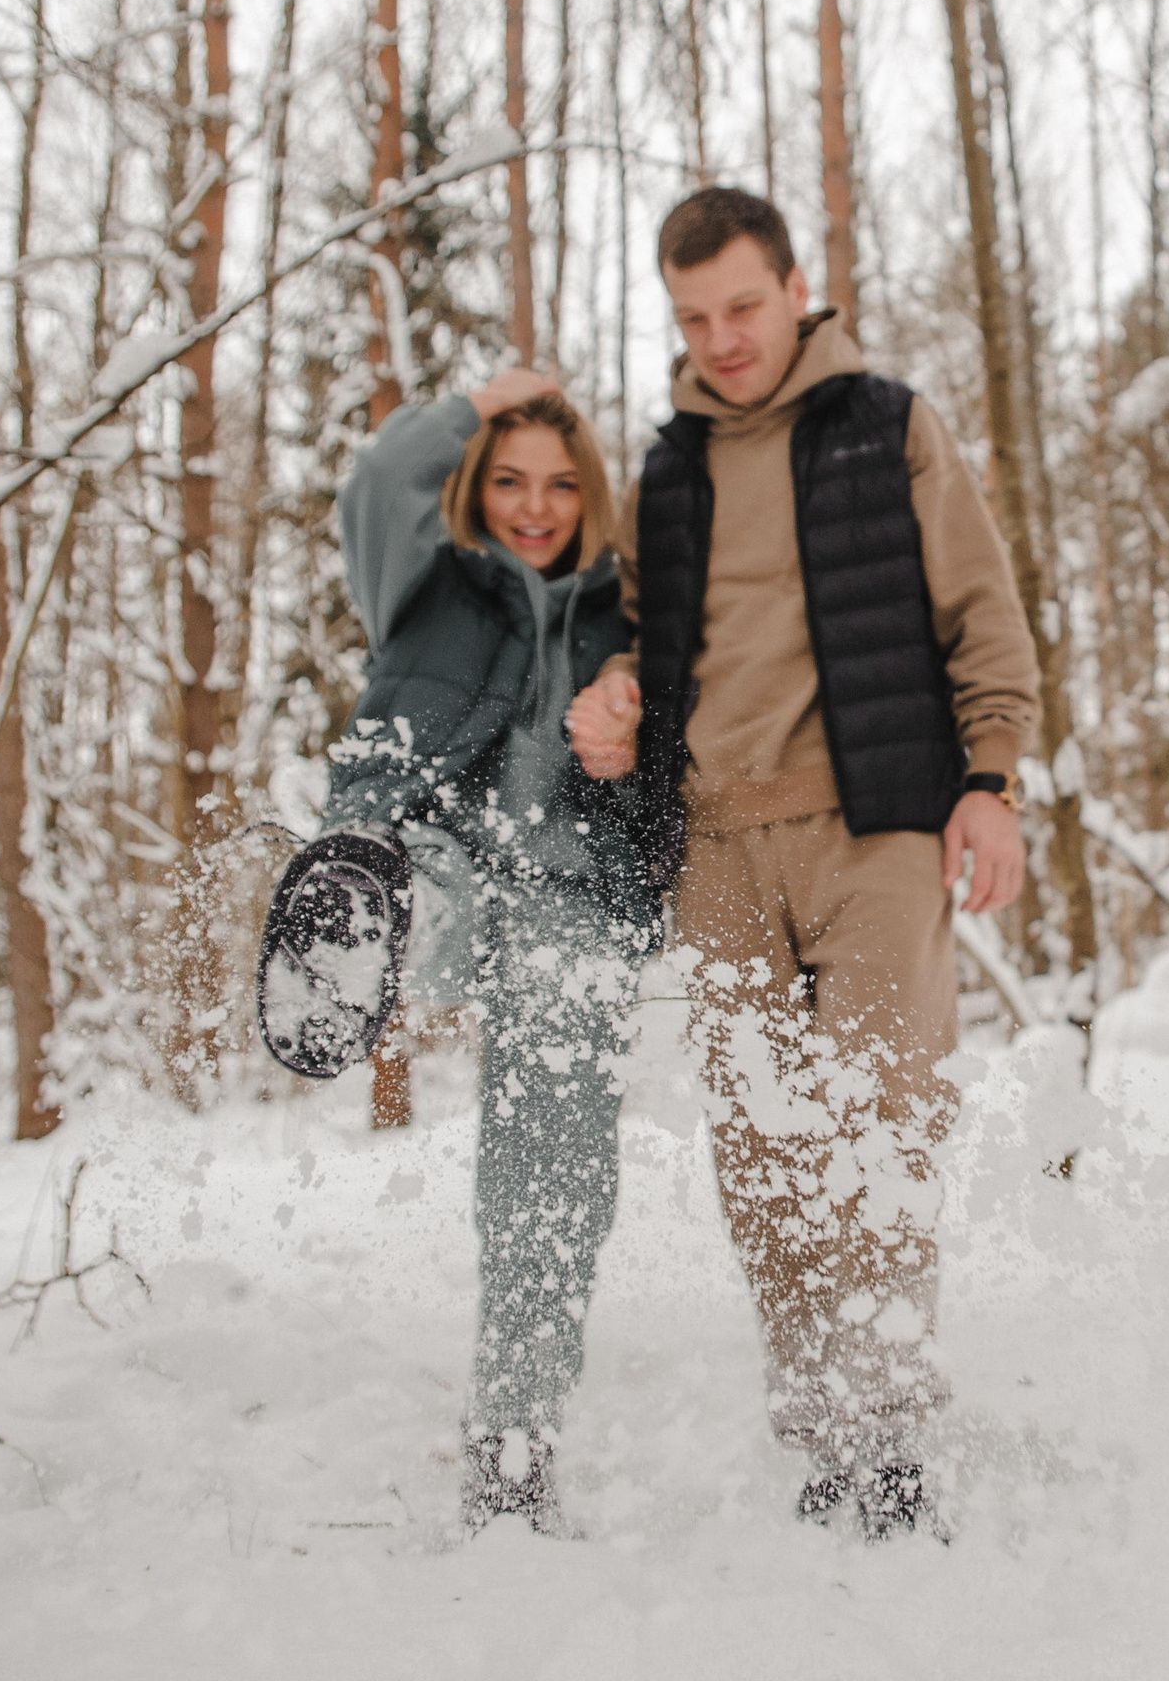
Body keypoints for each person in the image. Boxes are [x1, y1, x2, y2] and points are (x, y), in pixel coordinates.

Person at [567, 187, 1038, 1542]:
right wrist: (613, 694)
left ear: (796, 290)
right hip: (716, 847)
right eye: (694, 317)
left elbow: (980, 608)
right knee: (766, 1162)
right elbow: (647, 639)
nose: (721, 339)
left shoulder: (885, 425)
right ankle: (824, 1444)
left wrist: (992, 781)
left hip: (873, 828)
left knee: (882, 1140)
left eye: (743, 307)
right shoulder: (666, 470)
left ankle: (890, 1448)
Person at [311, 368, 650, 1536]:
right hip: (433, 855)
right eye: (507, 479)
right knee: (384, 855)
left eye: (559, 483)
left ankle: (515, 1440)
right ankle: (335, 907)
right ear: (474, 484)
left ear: (589, 492)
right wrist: (470, 401)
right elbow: (374, 477)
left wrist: (630, 696)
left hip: (566, 890)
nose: (534, 506)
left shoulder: (623, 610)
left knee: (551, 1168)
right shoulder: (427, 579)